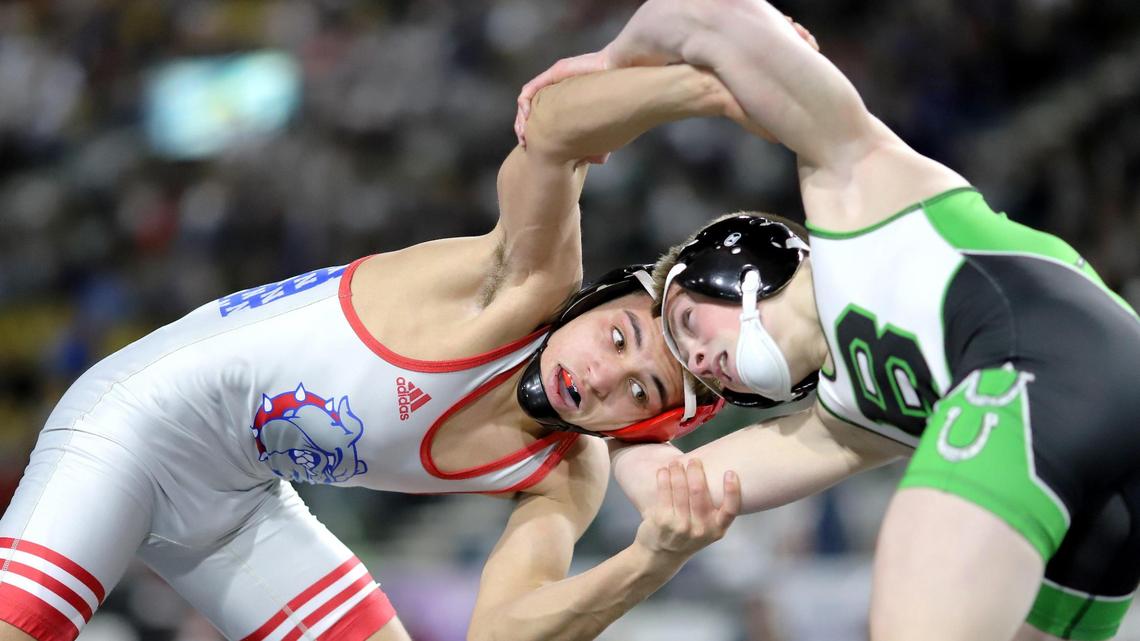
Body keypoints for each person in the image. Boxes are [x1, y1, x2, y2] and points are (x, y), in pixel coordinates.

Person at [0, 62, 747, 641]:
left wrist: (656, 556)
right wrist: (705, 85)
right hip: (133, 427)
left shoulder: (568, 475)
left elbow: (501, 630)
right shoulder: (526, 284)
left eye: (640, 391)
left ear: (638, 429)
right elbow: (554, 131)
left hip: (234, 508)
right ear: (595, 297)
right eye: (619, 337)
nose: (603, 375)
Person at [517, 2, 1140, 640]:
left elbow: (707, 13)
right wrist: (620, 426)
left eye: (686, 325)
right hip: (1103, 459)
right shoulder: (845, 423)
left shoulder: (853, 187)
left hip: (1053, 370)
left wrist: (615, 59)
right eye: (691, 379)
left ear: (733, 256)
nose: (700, 361)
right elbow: (675, 490)